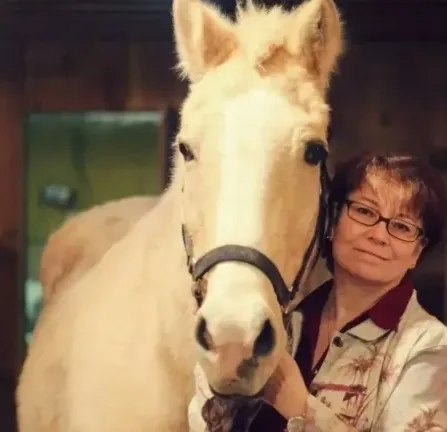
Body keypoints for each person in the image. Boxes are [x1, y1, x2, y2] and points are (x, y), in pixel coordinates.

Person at [188, 151, 447, 431]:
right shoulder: (283, 321)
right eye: (364, 211)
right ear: (332, 222)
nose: (378, 235)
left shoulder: (430, 346)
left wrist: (300, 407)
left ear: (417, 253)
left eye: (401, 226)